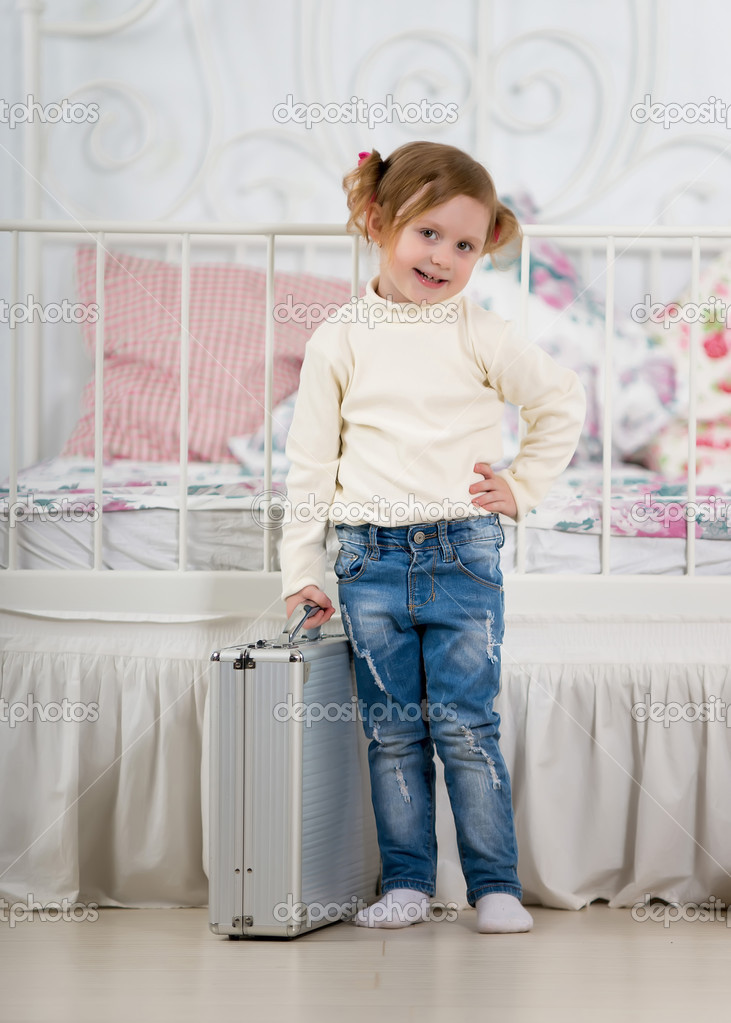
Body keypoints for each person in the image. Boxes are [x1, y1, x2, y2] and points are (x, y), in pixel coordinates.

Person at [280, 142, 585, 933]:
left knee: (464, 724)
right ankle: (408, 881)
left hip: (462, 552)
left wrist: (523, 486)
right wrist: (300, 568)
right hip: (367, 558)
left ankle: (494, 885)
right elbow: (310, 465)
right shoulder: (339, 337)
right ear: (379, 221)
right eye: (428, 234)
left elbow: (560, 401)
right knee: (390, 732)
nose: (443, 257)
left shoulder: (482, 332)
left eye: (464, 245)